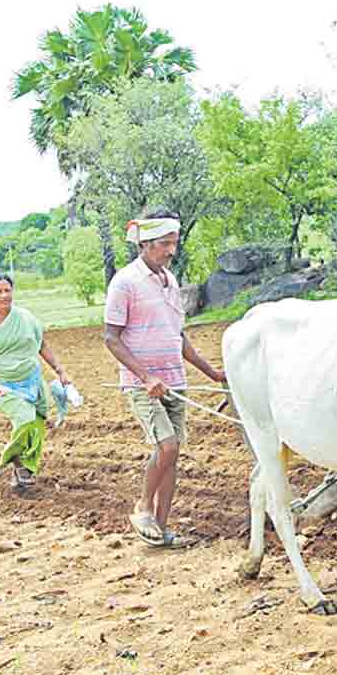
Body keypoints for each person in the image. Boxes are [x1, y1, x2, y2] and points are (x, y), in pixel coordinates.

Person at [103, 209, 226, 548]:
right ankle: (143, 507)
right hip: (143, 384)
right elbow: (111, 338)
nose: (172, 251)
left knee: (173, 456)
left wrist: (212, 372)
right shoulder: (125, 282)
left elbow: (178, 336)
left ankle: (161, 529)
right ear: (144, 243)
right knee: (166, 446)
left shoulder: (170, 281)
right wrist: (145, 378)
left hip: (175, 379)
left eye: (174, 243)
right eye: (164, 244)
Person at [0, 273, 71, 491]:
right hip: (5, 384)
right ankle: (15, 460)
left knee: (36, 425)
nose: (4, 295)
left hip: (32, 380)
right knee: (24, 419)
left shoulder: (26, 317)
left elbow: (42, 346)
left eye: (7, 290)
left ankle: (23, 470)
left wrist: (60, 371)